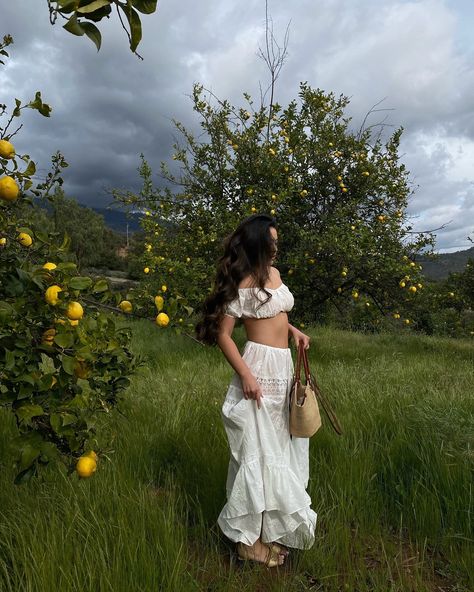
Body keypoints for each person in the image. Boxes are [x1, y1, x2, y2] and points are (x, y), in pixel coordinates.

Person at [196, 214, 317, 568]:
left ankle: (268, 533)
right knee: (257, 452)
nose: (277, 248)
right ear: (257, 245)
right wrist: (246, 375)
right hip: (259, 372)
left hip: (282, 368)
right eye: (272, 242)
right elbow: (223, 335)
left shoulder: (274, 276)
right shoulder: (242, 282)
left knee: (279, 448)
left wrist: (292, 331)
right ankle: (248, 543)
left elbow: (273, 312)